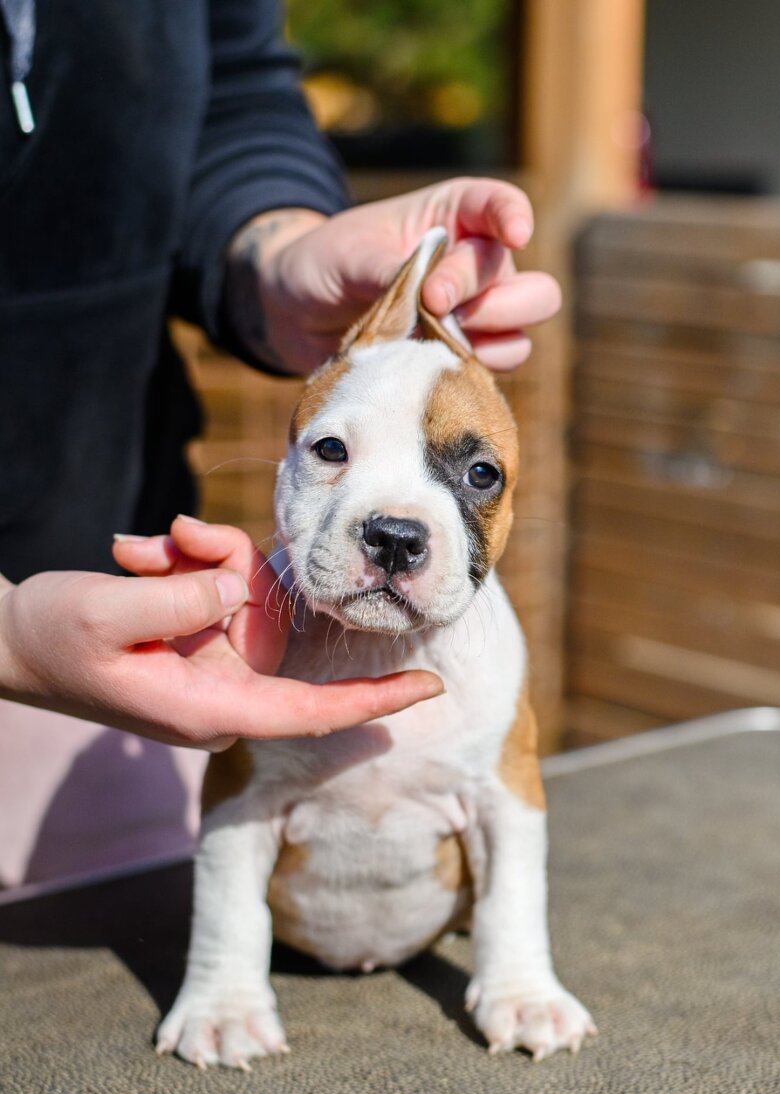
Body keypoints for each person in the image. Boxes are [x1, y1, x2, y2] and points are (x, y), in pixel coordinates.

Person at [0, 0, 561, 889]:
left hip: (123, 654)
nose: (395, 522)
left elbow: (233, 90)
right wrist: (10, 639)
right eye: (334, 452)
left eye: (477, 474)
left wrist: (280, 247)